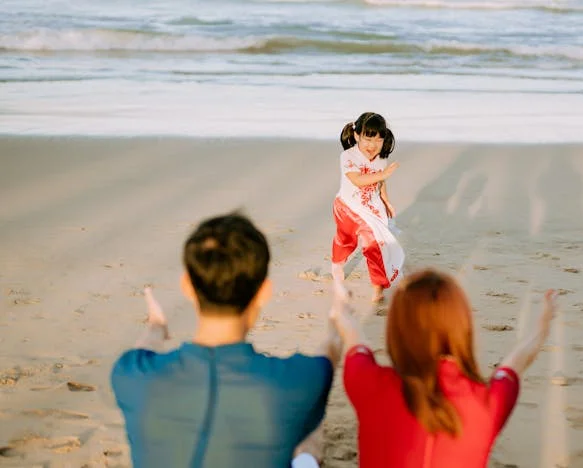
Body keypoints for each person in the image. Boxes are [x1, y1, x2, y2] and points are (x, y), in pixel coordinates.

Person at [111, 212, 341, 468]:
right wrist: (337, 320)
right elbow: (329, 352)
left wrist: (156, 327)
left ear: (186, 286)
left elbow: (142, 352)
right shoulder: (299, 380)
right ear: (264, 292)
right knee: (308, 447)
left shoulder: (131, 375)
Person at [329, 269, 556, 468]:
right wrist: (541, 330)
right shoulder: (488, 403)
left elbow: (353, 336)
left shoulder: (369, 385)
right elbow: (514, 364)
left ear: (397, 331)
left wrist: (342, 306)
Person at [331, 112, 404, 303]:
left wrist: (386, 200)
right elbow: (358, 180)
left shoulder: (381, 160)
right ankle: (337, 262)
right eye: (367, 139)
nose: (372, 145)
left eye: (378, 140)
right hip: (347, 208)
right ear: (357, 136)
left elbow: (381, 183)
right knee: (346, 241)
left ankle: (378, 287)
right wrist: (383, 175)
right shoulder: (348, 156)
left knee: (374, 246)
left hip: (371, 210)